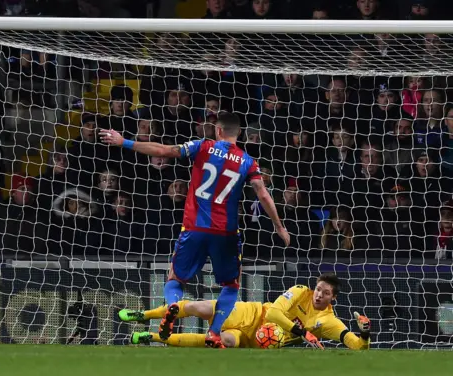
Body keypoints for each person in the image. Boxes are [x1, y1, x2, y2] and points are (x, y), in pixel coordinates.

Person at [99, 111, 289, 348]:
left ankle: (173, 307)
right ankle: (214, 332)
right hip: (226, 233)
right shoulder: (248, 161)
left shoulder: (203, 146)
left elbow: (164, 151)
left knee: (175, 279)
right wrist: (279, 226)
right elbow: (262, 193)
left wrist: (124, 142)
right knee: (230, 285)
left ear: (218, 130)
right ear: (239, 134)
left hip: (194, 228)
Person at [120, 273, 370, 350]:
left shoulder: (328, 320)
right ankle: (144, 315)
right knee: (199, 307)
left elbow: (356, 345)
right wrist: (301, 331)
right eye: (318, 289)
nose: (318, 294)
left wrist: (365, 334)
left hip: (257, 339)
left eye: (325, 293)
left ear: (333, 298)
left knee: (221, 341)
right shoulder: (300, 290)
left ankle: (152, 338)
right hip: (251, 314)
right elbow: (273, 315)